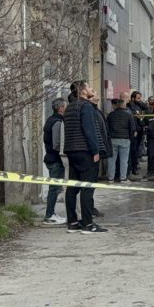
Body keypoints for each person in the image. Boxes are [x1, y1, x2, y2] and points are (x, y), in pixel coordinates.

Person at [62, 81, 107, 234]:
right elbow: (89, 130)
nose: (90, 89)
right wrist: (95, 151)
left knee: (73, 187)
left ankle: (73, 222)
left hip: (72, 150)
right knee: (87, 187)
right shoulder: (86, 106)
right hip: (85, 151)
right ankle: (88, 224)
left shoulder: (69, 107)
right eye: (88, 86)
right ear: (82, 90)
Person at [42, 98, 67, 224]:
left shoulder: (51, 120)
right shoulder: (57, 122)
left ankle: (51, 213)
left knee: (55, 188)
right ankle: (49, 215)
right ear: (61, 108)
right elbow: (57, 144)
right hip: (55, 159)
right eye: (65, 106)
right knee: (54, 188)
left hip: (51, 158)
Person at [106, 98, 136, 182]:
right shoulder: (128, 115)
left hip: (113, 139)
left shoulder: (110, 115)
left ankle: (110, 178)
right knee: (124, 160)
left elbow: (107, 128)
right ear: (123, 105)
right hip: (125, 140)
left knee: (111, 160)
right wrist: (130, 138)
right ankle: (123, 178)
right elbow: (132, 128)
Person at [126, 90, 148, 178]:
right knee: (133, 150)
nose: (139, 100)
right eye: (138, 98)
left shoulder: (139, 106)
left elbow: (145, 107)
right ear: (133, 98)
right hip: (134, 131)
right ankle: (133, 168)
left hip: (139, 130)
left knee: (136, 149)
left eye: (140, 98)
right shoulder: (131, 107)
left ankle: (134, 166)